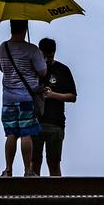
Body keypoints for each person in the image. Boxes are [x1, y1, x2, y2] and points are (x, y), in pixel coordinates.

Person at [0, 19, 47, 177]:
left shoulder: (3, 47)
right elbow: (43, 72)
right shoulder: (32, 50)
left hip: (8, 97)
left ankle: (8, 169)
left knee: (11, 133)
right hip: (26, 97)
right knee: (26, 133)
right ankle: (28, 170)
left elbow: (1, 67)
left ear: (11, 27)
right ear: (25, 28)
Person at [31, 37, 77, 176]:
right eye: (44, 56)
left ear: (54, 53)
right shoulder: (33, 69)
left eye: (50, 56)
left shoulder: (62, 69)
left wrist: (53, 95)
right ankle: (34, 196)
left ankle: (57, 195)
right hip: (35, 122)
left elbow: (72, 96)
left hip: (55, 123)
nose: (47, 59)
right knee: (34, 164)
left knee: (54, 164)